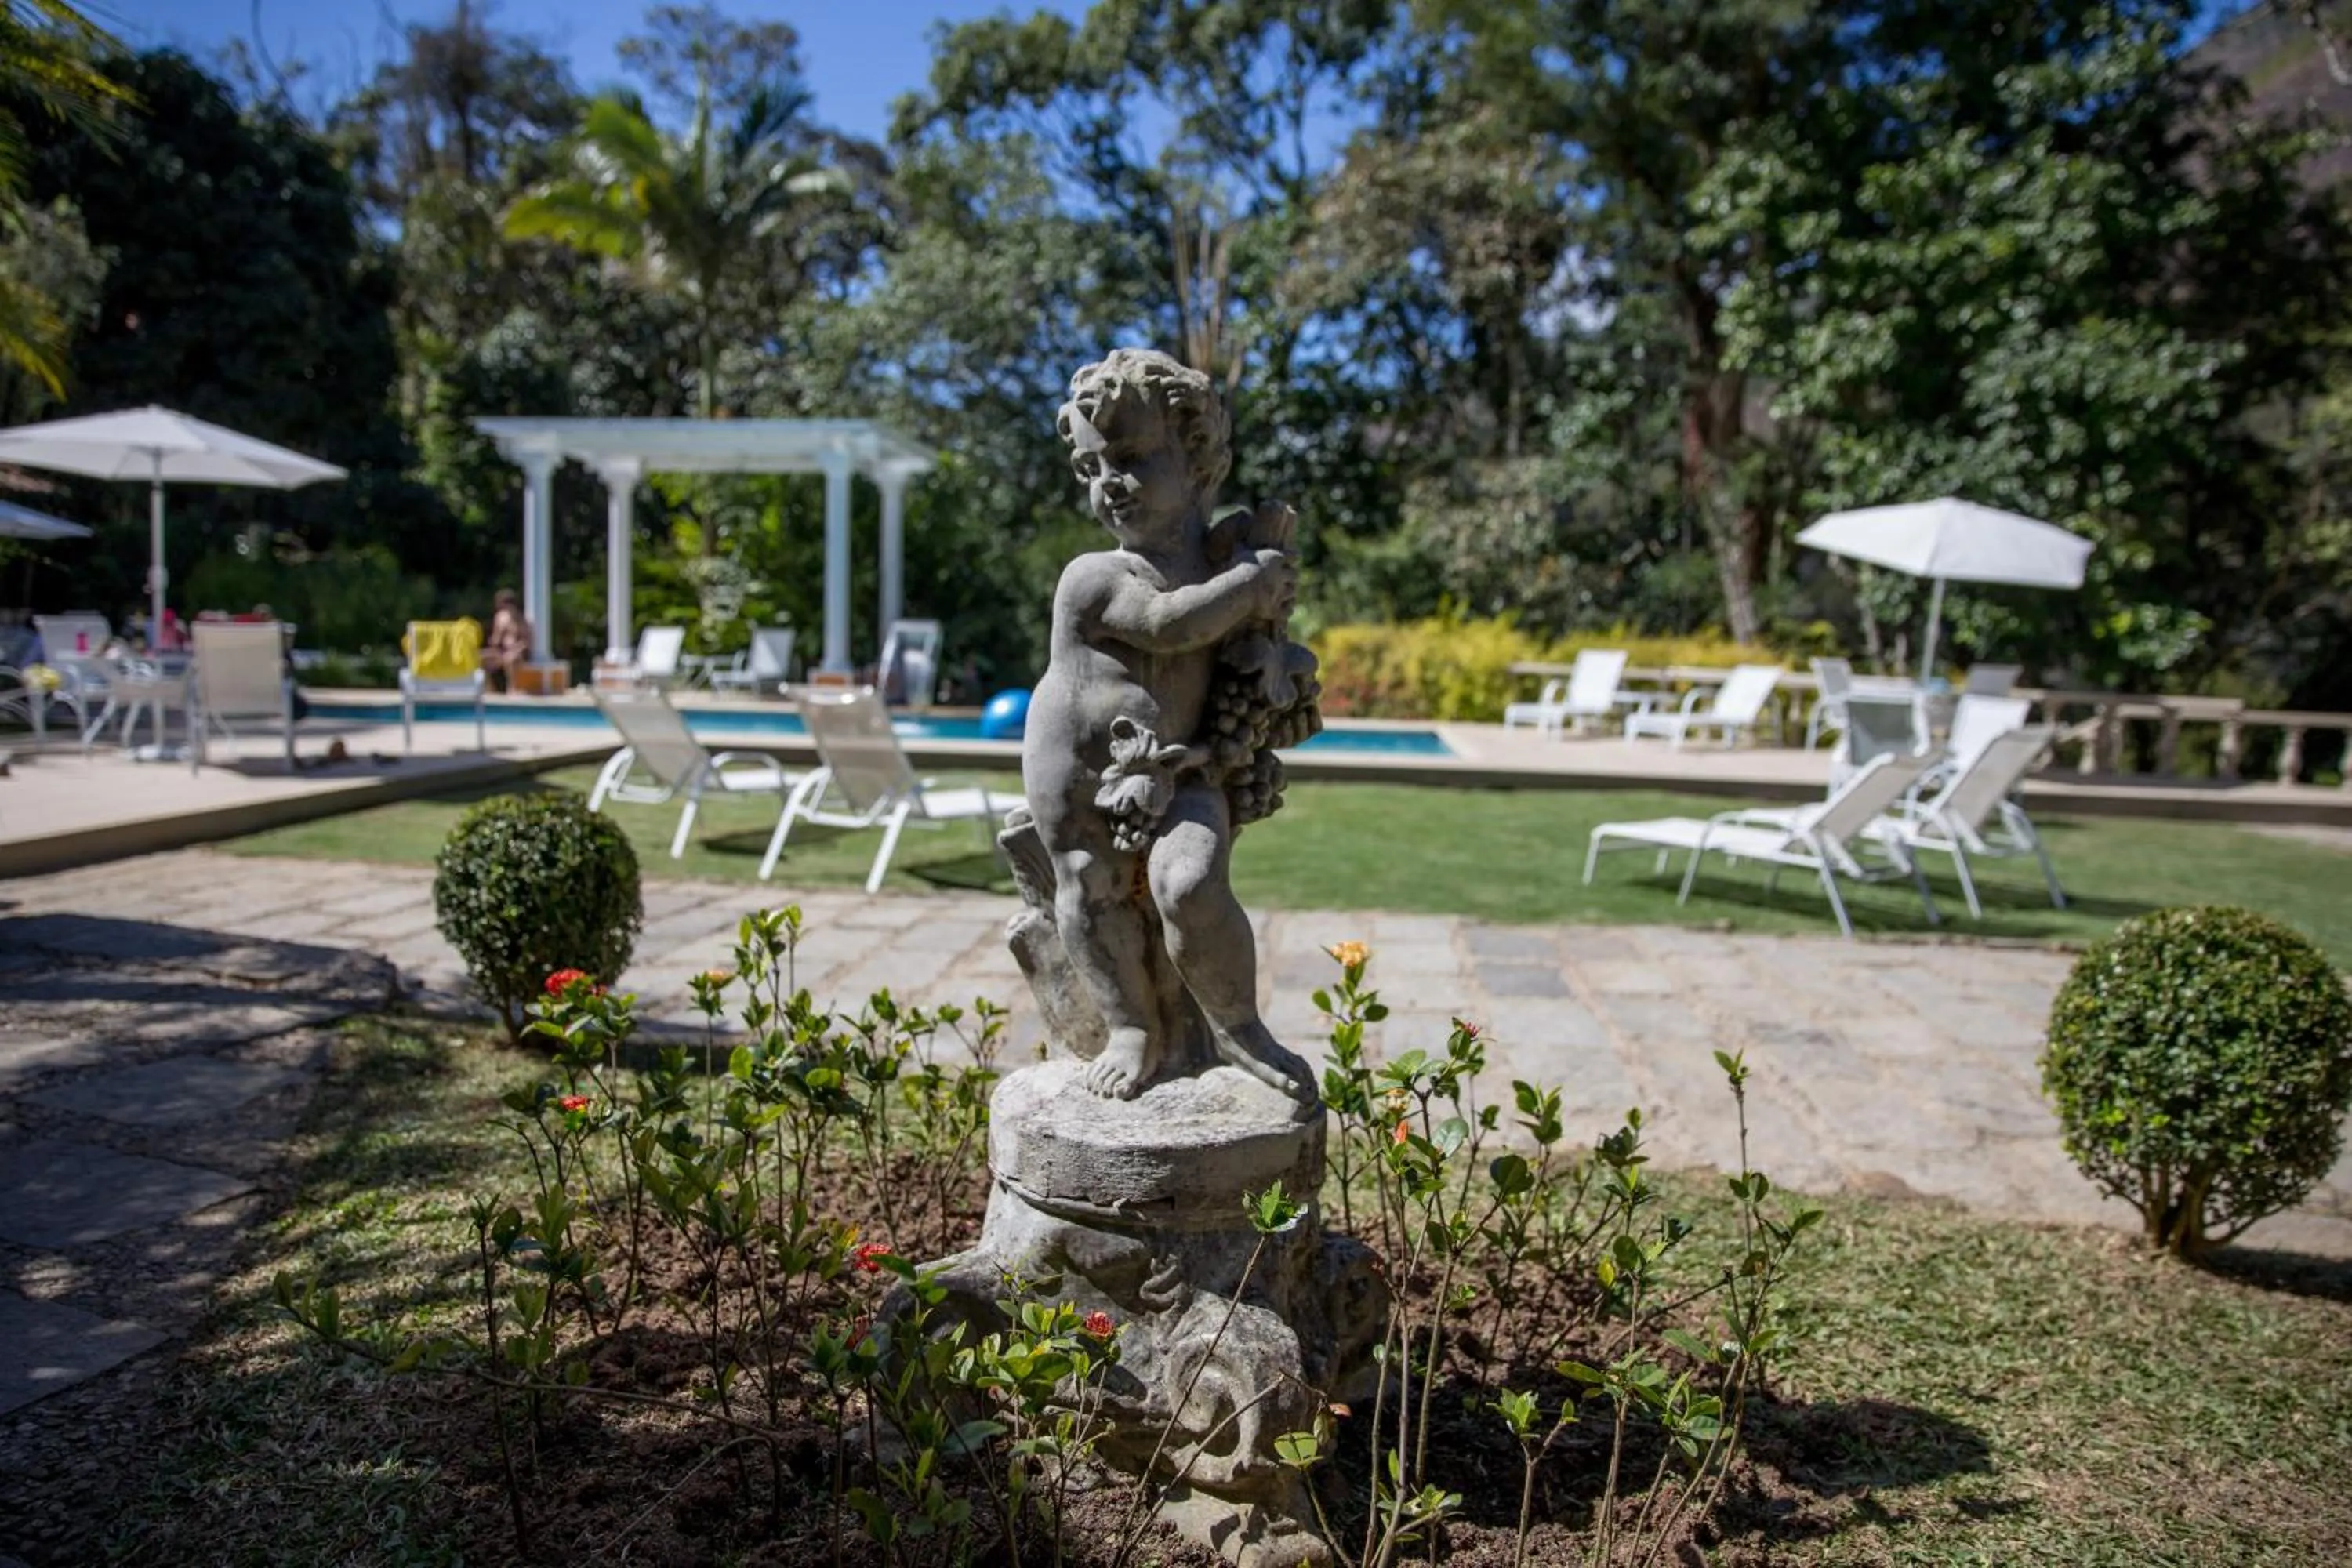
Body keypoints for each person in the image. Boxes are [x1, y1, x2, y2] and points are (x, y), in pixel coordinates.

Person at [1022, 347, 1316, 1108]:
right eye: (1090, 469)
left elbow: (1253, 657)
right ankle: (1129, 1026)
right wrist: (1252, 584)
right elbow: (1165, 625)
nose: (1107, 483)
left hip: (1184, 766)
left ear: (1196, 460)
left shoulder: (1225, 561)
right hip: (1079, 772)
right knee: (1089, 889)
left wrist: (1276, 647)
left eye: (1127, 457)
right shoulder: (1097, 576)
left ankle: (1240, 1024)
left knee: (1189, 882)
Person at [481, 588, 532, 692]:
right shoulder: (500, 617)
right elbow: (496, 640)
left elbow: (526, 642)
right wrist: (494, 645)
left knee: (511, 659)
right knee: (481, 658)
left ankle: (513, 689)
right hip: (502, 652)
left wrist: (514, 650)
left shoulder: (521, 619)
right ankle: (490, 690)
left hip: (517, 652)